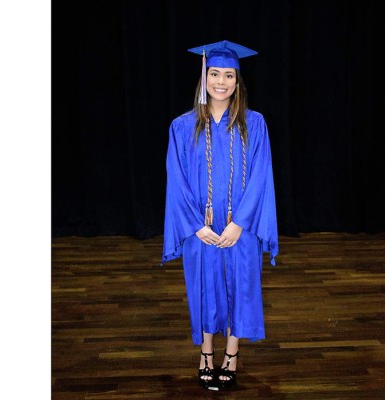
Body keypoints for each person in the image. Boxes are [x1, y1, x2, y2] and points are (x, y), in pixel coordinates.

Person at [162, 40, 278, 390]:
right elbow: (176, 179)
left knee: (240, 289)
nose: (222, 82)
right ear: (204, 77)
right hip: (202, 229)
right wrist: (195, 225)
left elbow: (261, 176)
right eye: (215, 74)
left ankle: (232, 353)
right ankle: (206, 353)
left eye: (229, 75)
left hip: (239, 230)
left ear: (238, 81)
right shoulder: (182, 127)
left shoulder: (254, 124)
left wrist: (241, 224)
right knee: (204, 289)